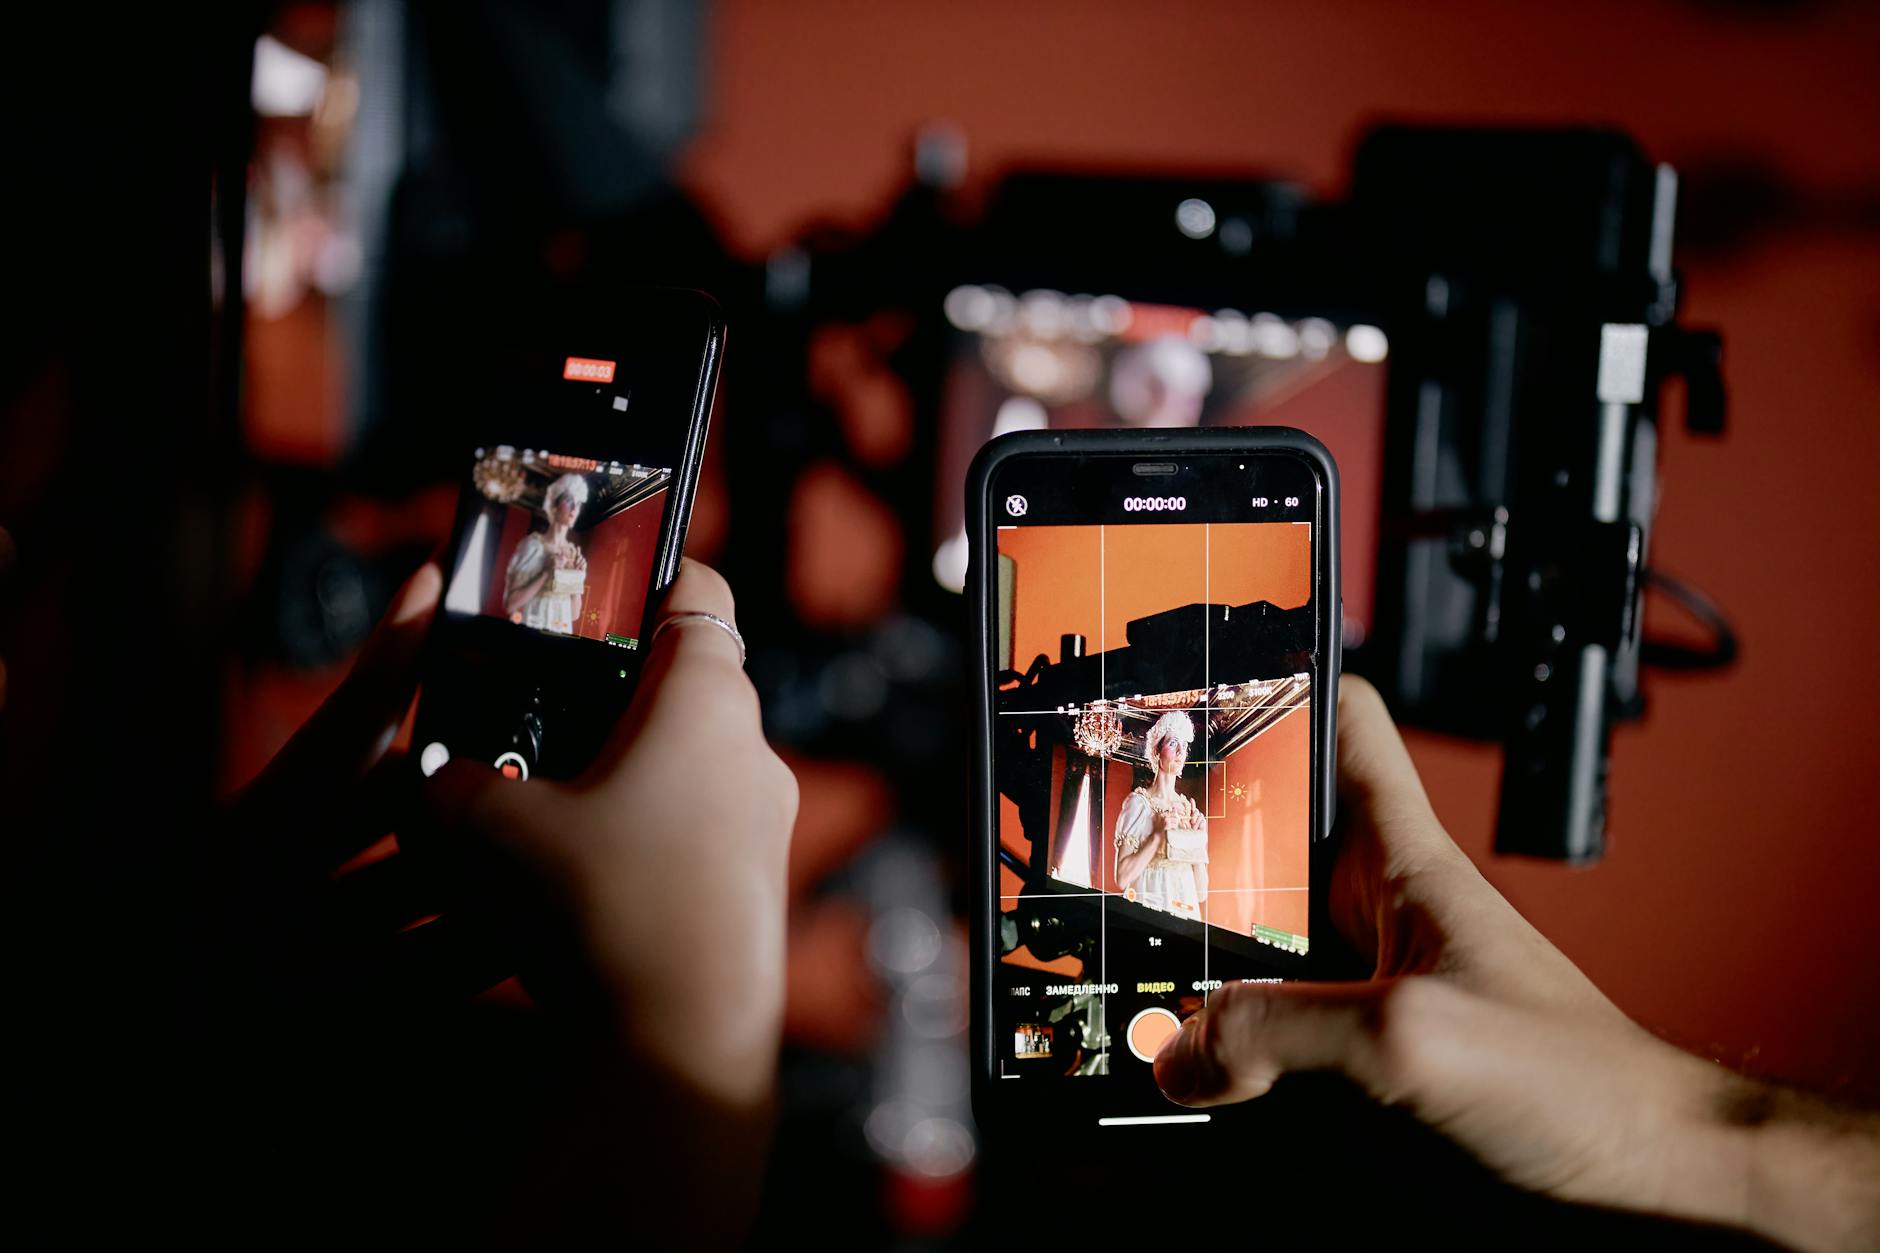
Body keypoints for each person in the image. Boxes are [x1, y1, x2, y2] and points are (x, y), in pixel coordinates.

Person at [1152, 675, 1880, 1253]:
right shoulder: (1149, 807)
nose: (1173, 760)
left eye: (1180, 750)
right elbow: (1129, 862)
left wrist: (1672, 1129)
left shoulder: (1195, 807)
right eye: (1165, 750)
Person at [1114, 709, 1209, 918]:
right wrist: (1157, 835)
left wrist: (1199, 841)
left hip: (1185, 917)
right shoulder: (1138, 804)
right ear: (1157, 751)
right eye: (1173, 743)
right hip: (1149, 912)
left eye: (1184, 746)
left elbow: (1201, 893)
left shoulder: (1188, 810)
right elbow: (1122, 878)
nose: (1180, 752)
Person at [503, 472, 590, 633]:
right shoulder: (533, 546)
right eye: (569, 501)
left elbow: (573, 614)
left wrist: (578, 578)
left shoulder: (572, 552)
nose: (574, 509)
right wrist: (546, 573)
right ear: (555, 506)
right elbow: (511, 604)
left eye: (578, 504)